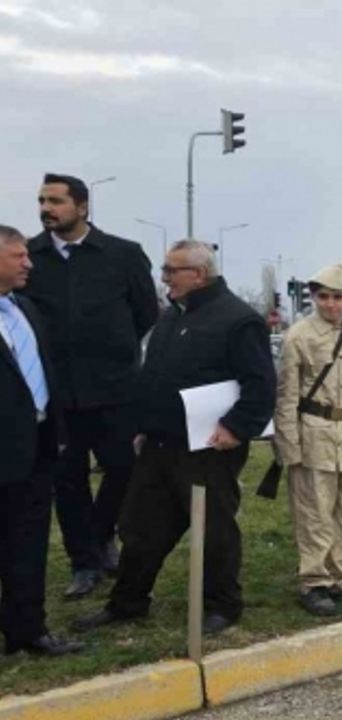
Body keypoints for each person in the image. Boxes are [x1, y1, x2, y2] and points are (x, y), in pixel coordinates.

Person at [73, 239, 273, 636]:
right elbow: (155, 376)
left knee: (213, 529)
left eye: (170, 270)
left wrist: (235, 427)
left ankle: (223, 606)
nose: (163, 277)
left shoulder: (238, 319)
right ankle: (128, 602)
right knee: (139, 528)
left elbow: (261, 385)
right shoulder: (171, 317)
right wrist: (143, 425)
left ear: (198, 274)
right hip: (159, 446)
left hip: (208, 450)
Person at [23, 174, 159, 599]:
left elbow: (145, 314)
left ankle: (102, 536)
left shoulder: (122, 255)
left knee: (124, 468)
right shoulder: (31, 257)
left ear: (81, 207)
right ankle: (84, 563)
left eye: (56, 201)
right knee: (67, 480)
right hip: (58, 395)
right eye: (43, 201)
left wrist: (113, 349)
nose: (47, 208)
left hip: (116, 389)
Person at [275, 263, 342, 616]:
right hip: (315, 431)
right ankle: (314, 580)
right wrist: (289, 447)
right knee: (315, 512)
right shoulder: (299, 336)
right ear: (314, 298)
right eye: (323, 296)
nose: (330, 304)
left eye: (338, 297)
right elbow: (287, 397)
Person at [0, 225, 83, 656]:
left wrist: (59, 432)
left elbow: (45, 372)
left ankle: (26, 630)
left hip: (35, 450)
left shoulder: (26, 310)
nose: (29, 262)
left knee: (28, 546)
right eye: (19, 256)